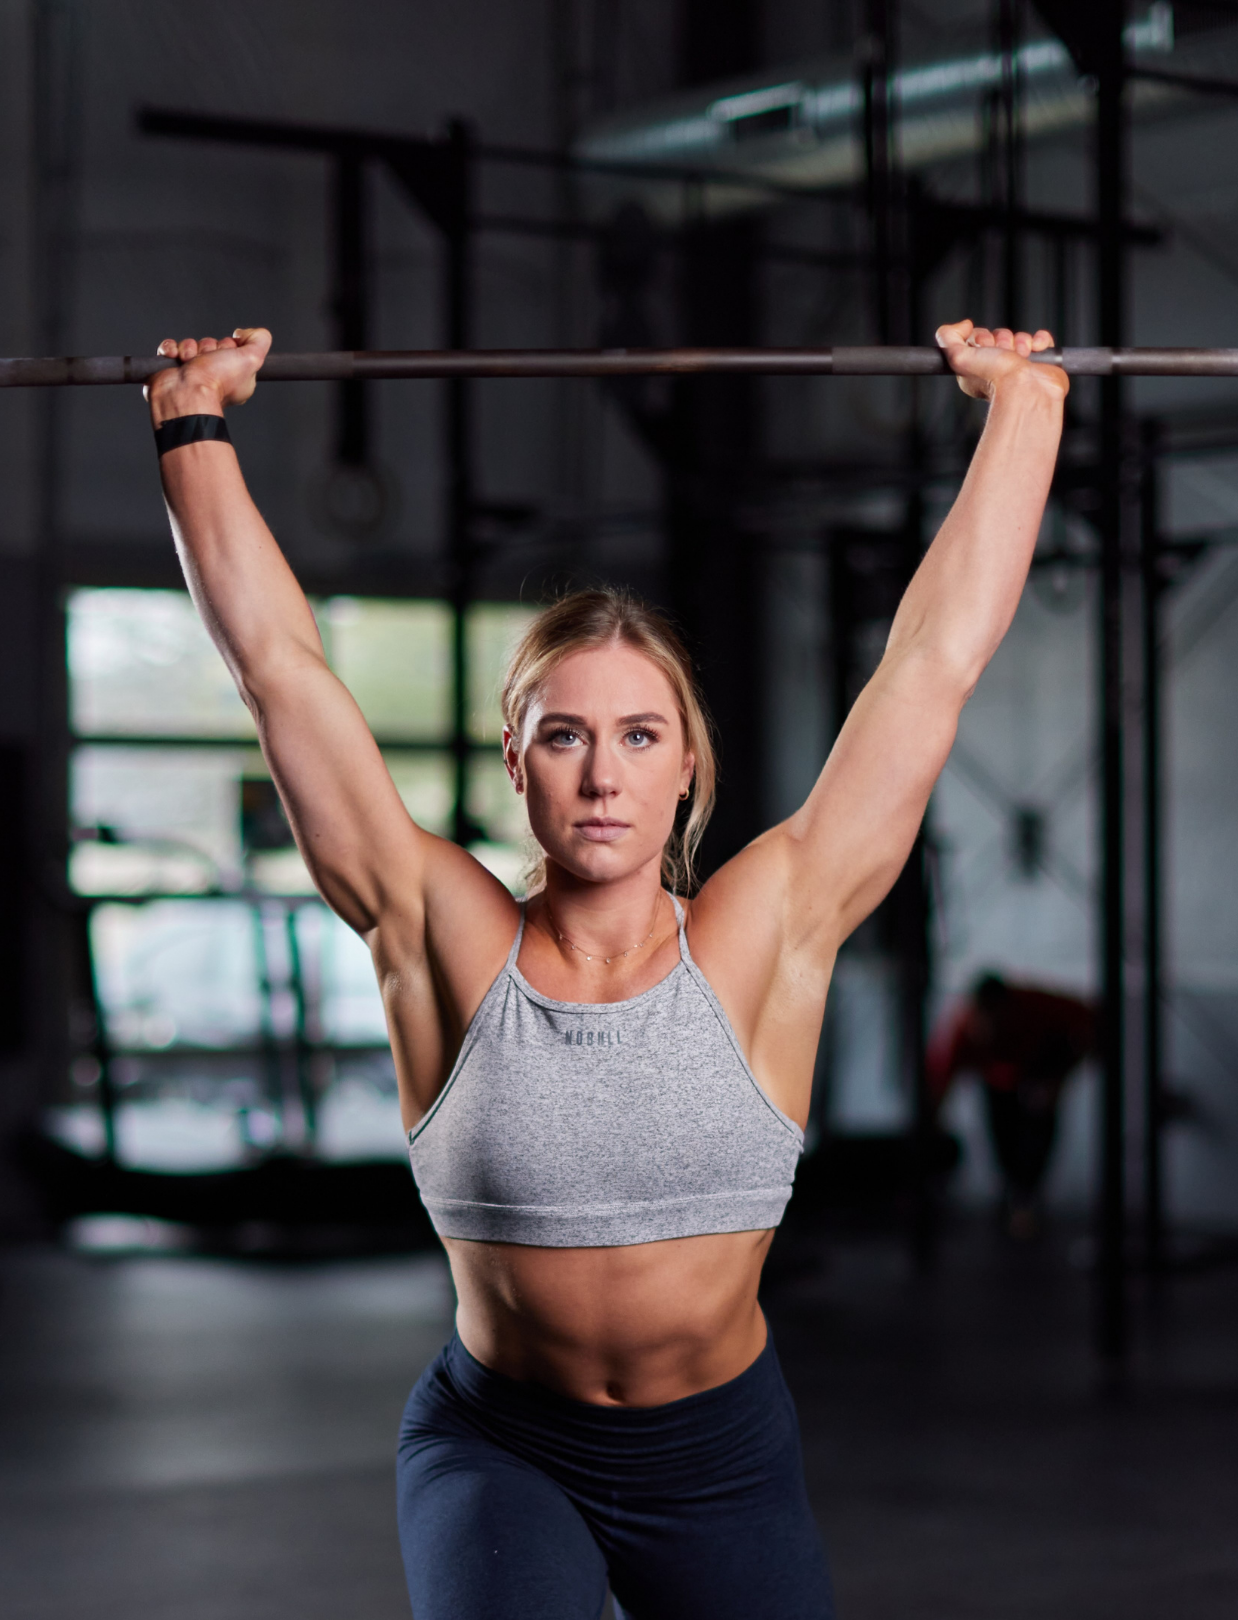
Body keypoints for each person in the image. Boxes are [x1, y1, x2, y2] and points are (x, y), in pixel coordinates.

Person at [146, 319, 1067, 1620]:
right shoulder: (441, 931)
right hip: (501, 1447)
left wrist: (1023, 410)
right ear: (515, 762)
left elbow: (934, 666)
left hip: (721, 1464)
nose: (602, 773)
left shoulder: (768, 928)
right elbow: (277, 673)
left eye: (639, 735)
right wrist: (193, 429)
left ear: (686, 762)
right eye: (564, 736)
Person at [923, 972, 1098, 1240]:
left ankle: (1026, 1196)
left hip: (1040, 1069)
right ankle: (1013, 1194)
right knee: (1003, 1134)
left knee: (1039, 1129)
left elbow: (1089, 1022)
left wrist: (1059, 1078)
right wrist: (931, 1130)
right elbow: (941, 1082)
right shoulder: (963, 1029)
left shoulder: (1036, 1006)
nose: (991, 1026)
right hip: (1000, 1083)